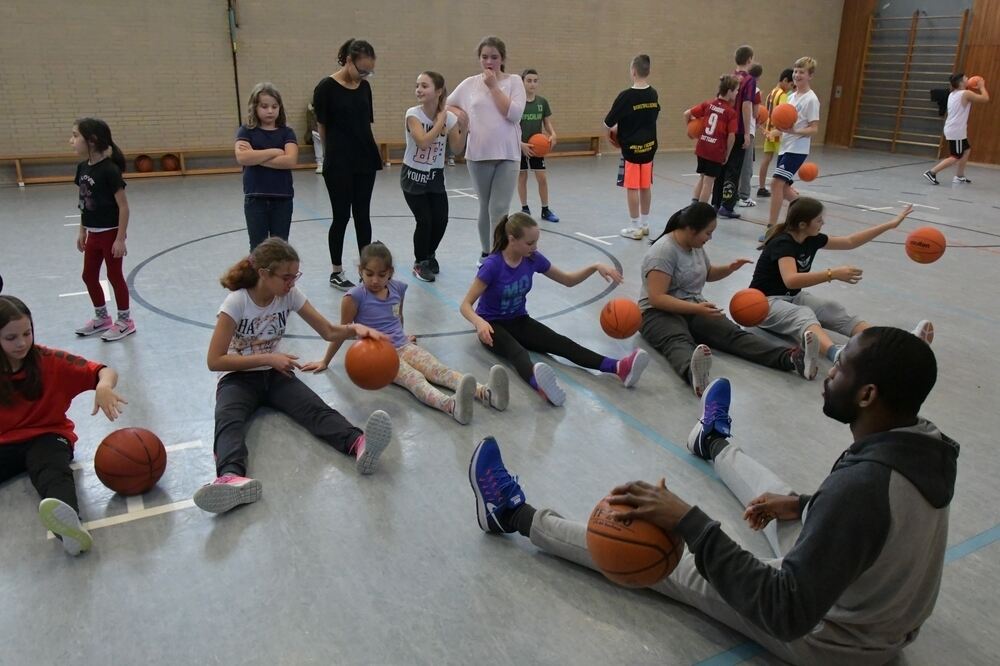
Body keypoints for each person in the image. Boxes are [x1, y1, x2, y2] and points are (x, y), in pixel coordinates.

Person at [469, 326, 957, 665]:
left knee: (675, 562)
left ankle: (511, 514)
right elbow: (872, 520)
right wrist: (806, 505)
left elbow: (784, 611)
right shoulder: (926, 443)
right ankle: (713, 441)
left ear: (867, 395)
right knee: (782, 497)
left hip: (835, 641)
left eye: (841, 366)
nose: (830, 372)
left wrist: (689, 521)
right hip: (878, 611)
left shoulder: (859, 489)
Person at [194, 238, 393, 515]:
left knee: (315, 409)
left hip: (275, 372)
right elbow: (214, 360)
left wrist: (356, 329)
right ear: (264, 274)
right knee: (228, 420)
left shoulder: (289, 294)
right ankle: (230, 478)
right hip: (237, 376)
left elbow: (327, 330)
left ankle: (359, 444)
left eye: (295, 275)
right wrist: (267, 358)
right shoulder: (236, 302)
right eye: (287, 277)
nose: (292, 282)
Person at [303, 243, 509, 424]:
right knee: (415, 379)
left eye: (381, 275)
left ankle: (486, 393)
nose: (375, 280)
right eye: (369, 274)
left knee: (439, 369)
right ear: (360, 271)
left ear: (390, 272)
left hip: (403, 345)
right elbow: (342, 330)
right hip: (380, 356)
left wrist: (403, 335)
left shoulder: (398, 288)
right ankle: (452, 406)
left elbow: (397, 317)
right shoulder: (354, 296)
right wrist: (325, 361)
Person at [460, 213, 649, 405]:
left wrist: (595, 266)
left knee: (562, 343)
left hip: (519, 320)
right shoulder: (492, 266)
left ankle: (618, 367)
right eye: (530, 243)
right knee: (517, 352)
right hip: (492, 326)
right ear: (512, 240)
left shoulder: (532, 259)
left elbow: (567, 280)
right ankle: (538, 384)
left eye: (536, 242)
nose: (534, 247)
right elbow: (465, 305)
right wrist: (479, 323)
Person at [639, 203, 818, 398]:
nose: (710, 238)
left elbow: (707, 273)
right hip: (656, 313)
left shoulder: (695, 245)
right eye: (708, 233)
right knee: (678, 340)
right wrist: (697, 309)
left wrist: (729, 268)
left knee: (733, 335)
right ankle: (695, 374)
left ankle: (791, 359)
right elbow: (657, 299)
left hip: (692, 306)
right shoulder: (663, 251)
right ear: (691, 229)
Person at [0, 295, 128, 555]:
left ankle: (70, 529)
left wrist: (103, 386)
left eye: (27, 333)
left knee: (53, 472)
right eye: (11, 338)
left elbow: (104, 371)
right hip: (5, 442)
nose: (22, 342)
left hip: (47, 435)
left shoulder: (50, 360)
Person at [750, 198, 933, 363]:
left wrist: (890, 225)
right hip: (763, 304)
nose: (823, 223)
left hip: (793, 297)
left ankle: (897, 343)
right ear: (803, 224)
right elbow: (791, 280)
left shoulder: (811, 238)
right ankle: (836, 355)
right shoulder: (783, 243)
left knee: (833, 310)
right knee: (803, 315)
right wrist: (832, 273)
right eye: (819, 220)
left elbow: (850, 241)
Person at [446, 36, 527, 265]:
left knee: (499, 208)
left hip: (508, 155)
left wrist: (493, 87)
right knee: (484, 205)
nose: (489, 61)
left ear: (502, 58)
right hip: (479, 154)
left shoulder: (514, 82)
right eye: (484, 57)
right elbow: (447, 104)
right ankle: (485, 252)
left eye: (494, 57)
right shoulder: (469, 84)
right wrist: (459, 114)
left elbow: (513, 114)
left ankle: (498, 254)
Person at [313, 38, 382, 291]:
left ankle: (367, 271)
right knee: (341, 216)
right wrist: (331, 157)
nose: (365, 75)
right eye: (361, 70)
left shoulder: (364, 87)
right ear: (349, 61)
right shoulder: (326, 87)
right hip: (339, 161)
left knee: (363, 215)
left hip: (364, 157)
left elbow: (365, 123)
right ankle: (336, 271)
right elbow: (323, 127)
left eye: (369, 72)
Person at [70, 118, 135, 341]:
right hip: (93, 234)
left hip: (110, 233)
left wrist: (120, 239)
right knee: (88, 275)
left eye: (75, 136)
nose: (72, 141)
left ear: (92, 140)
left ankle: (125, 321)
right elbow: (84, 202)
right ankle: (101, 318)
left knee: (114, 275)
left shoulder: (109, 170)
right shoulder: (82, 168)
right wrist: (82, 230)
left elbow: (123, 207)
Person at [400, 71, 466, 282]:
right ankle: (420, 262)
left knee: (441, 219)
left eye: (425, 86)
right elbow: (423, 141)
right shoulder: (413, 114)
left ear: (438, 91)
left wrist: (464, 127)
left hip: (435, 176)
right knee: (425, 220)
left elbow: (456, 149)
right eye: (417, 85)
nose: (419, 89)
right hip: (413, 176)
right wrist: (441, 122)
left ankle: (429, 254)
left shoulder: (450, 118)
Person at [235, 82, 298, 250]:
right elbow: (242, 157)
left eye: (274, 106)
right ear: (255, 107)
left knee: (280, 248)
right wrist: (275, 151)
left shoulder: (287, 132)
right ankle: (258, 277)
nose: (270, 111)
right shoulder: (246, 131)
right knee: (258, 248)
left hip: (282, 199)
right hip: (256, 199)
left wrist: (256, 157)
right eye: (264, 106)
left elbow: (290, 160)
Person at [764, 57, 820, 239]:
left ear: (810, 75)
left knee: (776, 184)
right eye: (795, 71)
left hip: (797, 150)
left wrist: (795, 131)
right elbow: (785, 125)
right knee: (786, 190)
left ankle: (771, 228)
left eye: (801, 72)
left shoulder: (811, 100)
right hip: (785, 147)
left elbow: (814, 128)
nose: (797, 75)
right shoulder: (790, 97)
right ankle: (808, 213)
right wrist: (776, 132)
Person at [605, 54, 660, 239]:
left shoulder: (626, 96)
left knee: (632, 187)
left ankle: (635, 226)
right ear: (648, 71)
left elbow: (608, 123)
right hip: (649, 147)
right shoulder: (653, 93)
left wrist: (612, 132)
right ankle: (645, 224)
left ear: (633, 71)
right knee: (645, 186)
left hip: (632, 150)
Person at [712, 45, 757, 220]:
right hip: (737, 128)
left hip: (725, 127)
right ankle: (727, 205)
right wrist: (746, 132)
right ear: (750, 59)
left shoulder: (729, 77)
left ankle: (715, 202)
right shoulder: (749, 80)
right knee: (734, 167)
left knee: (722, 165)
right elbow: (746, 105)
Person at [923, 73, 990, 185]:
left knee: (966, 150)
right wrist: (982, 86)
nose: (968, 79)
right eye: (966, 78)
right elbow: (985, 99)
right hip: (956, 131)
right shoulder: (966, 93)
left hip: (956, 129)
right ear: (961, 83)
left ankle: (959, 176)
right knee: (956, 156)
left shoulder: (954, 93)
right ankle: (931, 172)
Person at [684, 76, 739, 204]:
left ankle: (694, 204)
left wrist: (690, 131)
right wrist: (727, 154)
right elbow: (732, 136)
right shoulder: (730, 112)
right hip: (716, 151)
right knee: (709, 182)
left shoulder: (708, 104)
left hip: (702, 147)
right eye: (736, 90)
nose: (737, 93)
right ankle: (700, 211)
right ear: (730, 91)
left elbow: (687, 113)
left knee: (702, 178)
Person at [517, 69, 559, 223]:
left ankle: (545, 209)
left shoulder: (542, 102)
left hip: (537, 147)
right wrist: (520, 144)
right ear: (522, 82)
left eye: (535, 80)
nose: (532, 84)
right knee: (522, 176)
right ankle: (525, 208)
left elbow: (547, 123)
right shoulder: (517, 103)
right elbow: (511, 127)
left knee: (542, 178)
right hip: (520, 146)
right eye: (529, 80)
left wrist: (553, 134)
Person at [756, 68, 794, 199]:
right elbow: (784, 115)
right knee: (784, 161)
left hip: (768, 132)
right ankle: (784, 187)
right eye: (790, 85)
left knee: (766, 159)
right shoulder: (783, 95)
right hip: (777, 133)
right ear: (785, 80)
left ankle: (761, 187)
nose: (790, 88)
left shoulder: (770, 93)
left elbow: (766, 113)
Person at [737, 63, 764, 207]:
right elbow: (755, 113)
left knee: (735, 164)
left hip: (735, 129)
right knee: (746, 166)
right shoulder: (756, 90)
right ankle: (744, 196)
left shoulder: (738, 82)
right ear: (759, 77)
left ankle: (732, 194)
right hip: (748, 129)